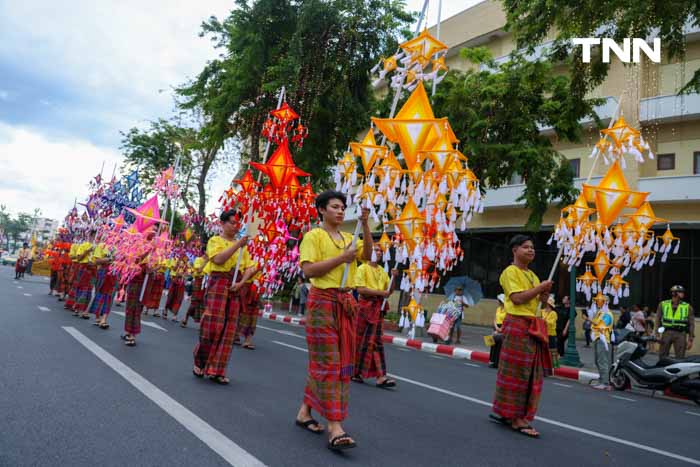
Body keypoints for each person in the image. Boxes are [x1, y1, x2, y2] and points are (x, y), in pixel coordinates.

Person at [294, 190, 372, 451]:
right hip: (322, 302)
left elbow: (368, 255)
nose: (340, 211)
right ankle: (335, 426)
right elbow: (308, 270)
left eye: (343, 208)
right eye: (335, 207)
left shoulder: (350, 237)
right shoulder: (314, 236)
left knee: (335, 364)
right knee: (331, 364)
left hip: (346, 303)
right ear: (322, 210)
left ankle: (305, 412)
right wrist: (341, 258)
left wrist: (366, 224)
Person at [490, 235, 552, 438]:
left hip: (533, 325)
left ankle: (512, 413)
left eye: (532, 247)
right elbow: (517, 299)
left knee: (530, 373)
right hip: (517, 325)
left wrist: (543, 295)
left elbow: (538, 303)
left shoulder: (533, 275)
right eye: (526, 247)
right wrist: (539, 289)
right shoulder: (510, 272)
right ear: (514, 250)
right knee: (517, 372)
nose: (531, 250)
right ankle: (515, 417)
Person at [192, 209, 255, 384]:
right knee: (213, 325)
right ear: (222, 223)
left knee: (229, 330)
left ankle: (217, 370)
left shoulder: (244, 248)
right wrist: (237, 245)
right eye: (232, 223)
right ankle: (201, 361)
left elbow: (250, 267)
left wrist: (242, 282)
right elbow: (218, 260)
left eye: (238, 223)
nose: (236, 226)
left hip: (235, 288)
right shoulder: (215, 241)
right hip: (218, 285)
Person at [352, 245, 398, 388]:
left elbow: (389, 291)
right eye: (375, 250)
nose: (378, 253)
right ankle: (355, 372)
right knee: (360, 341)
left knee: (376, 342)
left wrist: (394, 277)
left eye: (380, 251)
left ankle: (380, 376)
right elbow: (360, 289)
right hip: (364, 309)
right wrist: (380, 293)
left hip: (377, 310)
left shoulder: (383, 272)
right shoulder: (362, 268)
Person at [656, 285, 695, 358]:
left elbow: (692, 324)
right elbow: (657, 320)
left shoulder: (687, 306)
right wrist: (657, 334)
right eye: (681, 292)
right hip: (666, 333)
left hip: (681, 334)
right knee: (662, 356)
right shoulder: (663, 304)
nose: (683, 294)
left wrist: (690, 339)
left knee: (680, 357)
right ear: (674, 293)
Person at [89, 242, 116, 329]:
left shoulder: (123, 247)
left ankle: (104, 319)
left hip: (114, 274)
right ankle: (98, 317)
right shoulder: (102, 245)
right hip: (102, 273)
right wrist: (109, 259)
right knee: (99, 295)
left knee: (109, 297)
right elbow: (96, 261)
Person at [591, 302, 614, 390]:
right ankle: (601, 380)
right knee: (597, 361)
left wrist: (589, 319)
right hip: (598, 338)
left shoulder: (608, 314)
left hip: (603, 339)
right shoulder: (600, 313)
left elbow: (602, 325)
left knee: (602, 361)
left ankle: (605, 382)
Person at [181, 251, 208, 327]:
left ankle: (202, 324)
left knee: (204, 304)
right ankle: (185, 319)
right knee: (194, 302)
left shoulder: (212, 261)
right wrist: (206, 261)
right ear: (205, 252)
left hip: (207, 283)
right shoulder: (198, 259)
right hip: (198, 281)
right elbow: (199, 270)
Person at [72, 239, 96, 319]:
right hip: (83, 268)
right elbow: (78, 258)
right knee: (81, 289)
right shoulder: (83, 245)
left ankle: (84, 311)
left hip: (93, 270)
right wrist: (87, 251)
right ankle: (77, 308)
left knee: (89, 291)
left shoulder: (99, 246)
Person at [489, 294, 506, 368]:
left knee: (499, 345)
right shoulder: (498, 309)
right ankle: (492, 360)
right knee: (492, 343)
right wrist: (496, 328)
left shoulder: (507, 310)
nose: (498, 302)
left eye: (499, 301)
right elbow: (495, 319)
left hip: (503, 328)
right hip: (496, 327)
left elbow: (506, 320)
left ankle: (497, 362)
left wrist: (500, 329)